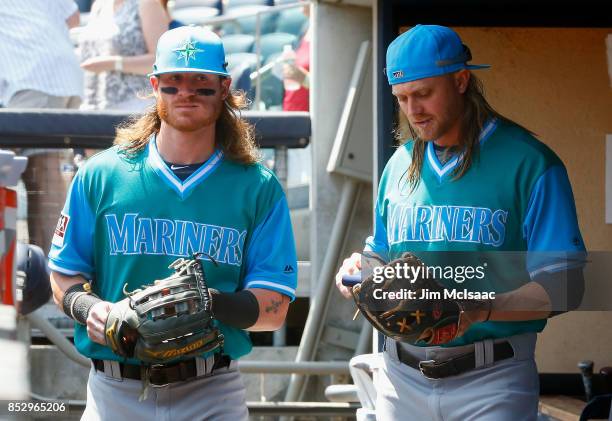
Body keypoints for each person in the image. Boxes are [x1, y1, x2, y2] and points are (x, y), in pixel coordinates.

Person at [335, 25, 585, 420]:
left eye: (423, 94)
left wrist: (482, 307)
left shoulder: (530, 162)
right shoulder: (399, 164)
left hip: (491, 378)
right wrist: (360, 272)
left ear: (461, 80)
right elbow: (381, 258)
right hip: (400, 378)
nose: (412, 109)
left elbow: (568, 285)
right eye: (401, 98)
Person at [49, 26, 297, 420]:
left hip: (212, 389)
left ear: (224, 88)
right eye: (173, 82)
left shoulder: (257, 187)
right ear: (155, 85)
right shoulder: (102, 174)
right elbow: (63, 275)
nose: (186, 92)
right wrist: (88, 308)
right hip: (115, 389)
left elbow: (274, 309)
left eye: (201, 83)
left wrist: (207, 304)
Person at [0, 0, 84, 253]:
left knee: (14, 170)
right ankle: (49, 281)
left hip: (30, 76)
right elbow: (73, 18)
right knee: (45, 178)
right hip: (64, 77)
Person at [78, 0, 170, 111]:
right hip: (94, 106)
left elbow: (161, 61)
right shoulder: (99, 5)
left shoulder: (148, 4)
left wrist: (113, 63)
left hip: (134, 106)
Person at [281, 5, 311, 112]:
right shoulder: (305, 29)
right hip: (290, 111)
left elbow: (333, 87)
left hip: (312, 119)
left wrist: (305, 79)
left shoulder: (327, 34)